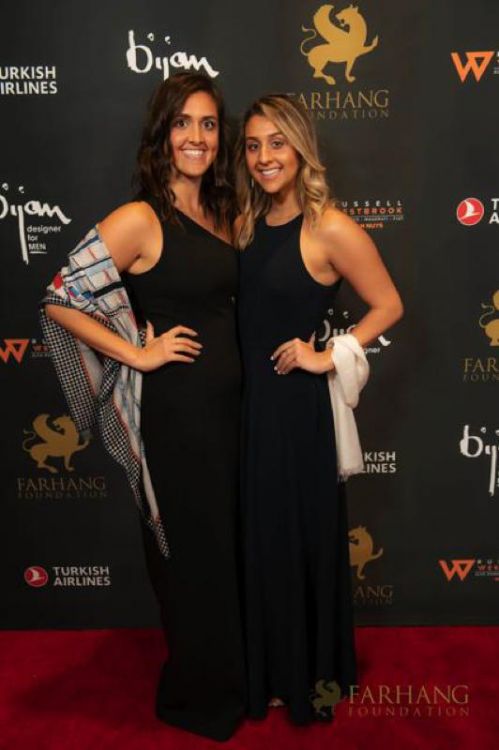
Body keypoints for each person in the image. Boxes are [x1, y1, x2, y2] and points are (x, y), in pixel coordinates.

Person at [42, 72, 246, 741]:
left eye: (208, 124)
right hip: (178, 419)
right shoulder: (141, 218)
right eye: (183, 123)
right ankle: (199, 695)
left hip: (233, 415)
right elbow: (60, 298)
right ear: (162, 134)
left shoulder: (222, 210)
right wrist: (137, 353)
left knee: (226, 549)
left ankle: (234, 677)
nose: (197, 137)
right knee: (191, 554)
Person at [234, 94, 404, 724]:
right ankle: (268, 667)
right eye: (253, 145)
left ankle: (304, 673)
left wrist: (328, 355)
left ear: (301, 147)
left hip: (294, 412)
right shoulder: (246, 220)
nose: (264, 157)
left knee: (292, 540)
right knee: (258, 541)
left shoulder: (328, 226)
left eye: (277, 142)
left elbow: (388, 304)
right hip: (245, 408)